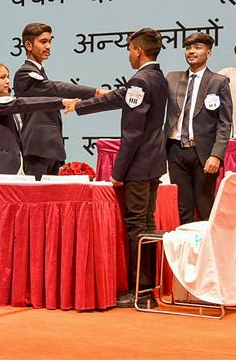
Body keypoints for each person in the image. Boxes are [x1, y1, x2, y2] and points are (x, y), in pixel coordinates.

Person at [66, 28, 168, 309]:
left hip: (137, 167)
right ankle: (148, 290)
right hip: (154, 163)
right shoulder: (158, 77)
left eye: (128, 50)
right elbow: (117, 98)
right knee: (146, 225)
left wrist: (117, 172)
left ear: (137, 50)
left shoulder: (139, 80)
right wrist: (81, 105)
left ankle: (140, 292)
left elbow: (132, 134)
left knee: (136, 228)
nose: (128, 55)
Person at [13, 23, 107, 180]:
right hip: (38, 147)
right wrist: (96, 92)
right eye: (43, 42)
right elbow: (55, 88)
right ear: (28, 45)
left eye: (50, 41)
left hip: (52, 148)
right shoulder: (25, 73)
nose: (48, 46)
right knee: (38, 200)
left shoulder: (40, 72)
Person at [0, 62, 76, 188]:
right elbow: (22, 103)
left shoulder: (2, 107)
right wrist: (60, 102)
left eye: (8, 77)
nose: (8, 81)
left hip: (7, 175)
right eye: (2, 77)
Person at [165, 32, 232, 225]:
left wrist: (217, 155)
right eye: (188, 48)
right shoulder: (173, 78)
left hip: (204, 154)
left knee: (204, 207)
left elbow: (225, 123)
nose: (192, 52)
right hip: (175, 150)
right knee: (182, 208)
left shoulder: (218, 82)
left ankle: (206, 254)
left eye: (197, 48)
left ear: (208, 53)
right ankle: (187, 254)